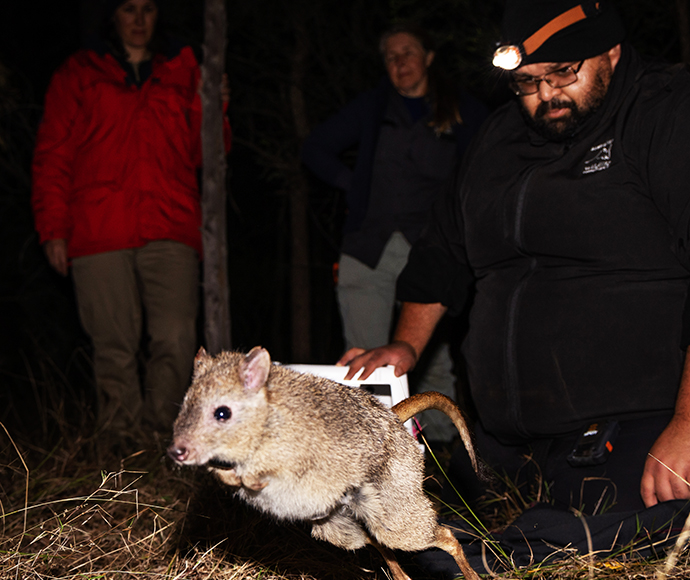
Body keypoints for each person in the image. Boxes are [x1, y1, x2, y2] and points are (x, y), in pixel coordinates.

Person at [340, 0, 690, 515]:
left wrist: (686, 424)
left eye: (562, 73)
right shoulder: (499, 137)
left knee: (587, 543)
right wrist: (405, 345)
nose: (546, 94)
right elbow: (443, 248)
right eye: (526, 82)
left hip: (637, 426)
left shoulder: (666, 112)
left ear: (611, 52)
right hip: (504, 444)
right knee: (426, 540)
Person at [31, 0, 232, 446]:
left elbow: (208, 155)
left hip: (171, 223)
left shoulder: (184, 68)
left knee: (177, 337)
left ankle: (161, 434)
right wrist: (53, 229)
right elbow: (53, 154)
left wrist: (212, 107)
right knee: (113, 343)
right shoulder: (79, 72)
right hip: (98, 227)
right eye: (128, 8)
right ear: (112, 15)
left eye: (147, 8)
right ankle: (119, 442)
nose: (138, 19)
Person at [301, 24, 488, 441]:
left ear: (429, 57)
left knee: (432, 361)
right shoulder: (371, 107)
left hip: (431, 253)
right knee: (365, 358)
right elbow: (314, 147)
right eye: (390, 56)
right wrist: (354, 184)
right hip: (368, 249)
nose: (399, 62)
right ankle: (373, 456)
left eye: (408, 52)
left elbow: (492, 162)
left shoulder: (462, 110)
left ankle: (441, 457)